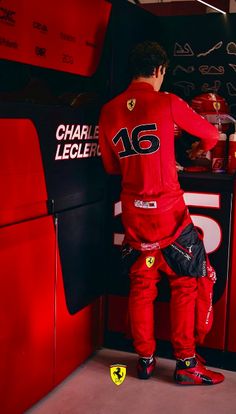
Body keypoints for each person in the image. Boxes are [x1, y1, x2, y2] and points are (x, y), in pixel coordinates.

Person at [99, 41, 224, 385]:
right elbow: (212, 135)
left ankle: (145, 360)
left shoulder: (109, 110)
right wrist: (199, 146)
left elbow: (111, 166)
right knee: (184, 283)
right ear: (158, 70)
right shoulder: (167, 102)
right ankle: (185, 363)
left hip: (135, 216)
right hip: (168, 214)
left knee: (142, 284)